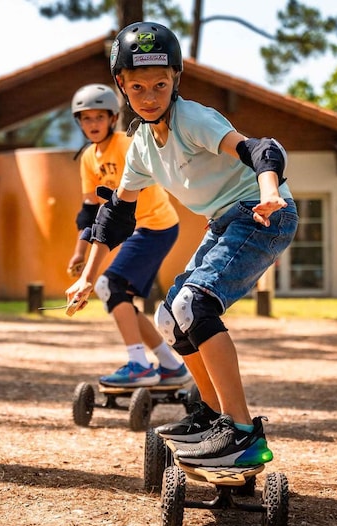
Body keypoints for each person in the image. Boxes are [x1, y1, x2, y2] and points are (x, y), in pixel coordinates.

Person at [66, 22, 298, 468]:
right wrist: (87, 278)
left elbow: (261, 149)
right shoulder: (139, 149)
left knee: (194, 304)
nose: (150, 96)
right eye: (137, 87)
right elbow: (114, 218)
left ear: (176, 80)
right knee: (170, 317)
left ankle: (243, 432)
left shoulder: (193, 119)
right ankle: (213, 416)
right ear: (122, 87)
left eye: (160, 84)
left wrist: (270, 190)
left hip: (263, 213)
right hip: (224, 221)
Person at [68, 83, 189, 388]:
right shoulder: (88, 158)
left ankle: (138, 364)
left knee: (110, 285)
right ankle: (171, 366)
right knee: (118, 296)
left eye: (99, 117)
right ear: (79, 123)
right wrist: (80, 252)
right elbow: (89, 212)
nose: (92, 124)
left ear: (112, 118)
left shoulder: (126, 144)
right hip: (129, 229)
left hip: (156, 224)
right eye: (86, 119)